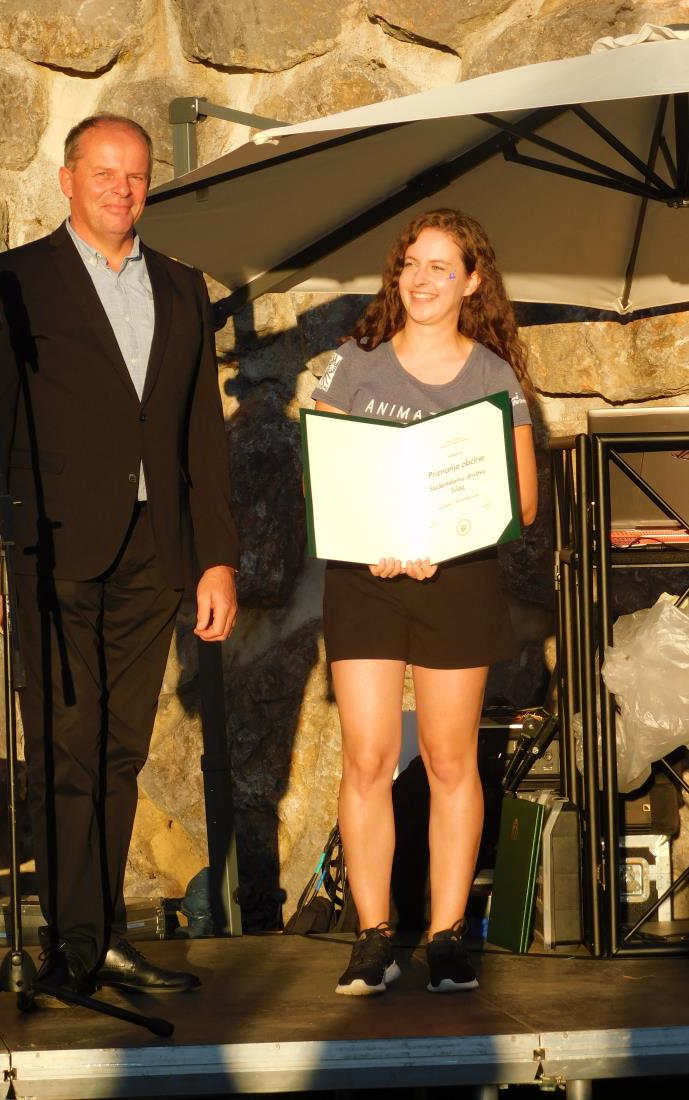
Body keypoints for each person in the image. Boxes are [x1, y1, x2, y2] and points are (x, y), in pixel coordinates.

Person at [0, 114, 239, 998]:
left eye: (137, 176)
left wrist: (216, 559)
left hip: (156, 553)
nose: (123, 189)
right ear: (68, 180)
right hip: (51, 551)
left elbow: (200, 434)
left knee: (119, 752)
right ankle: (73, 944)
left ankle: (102, 936)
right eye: (106, 173)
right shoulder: (12, 283)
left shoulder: (184, 288)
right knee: (65, 750)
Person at [311, 209, 537, 996]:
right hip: (364, 579)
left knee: (448, 760)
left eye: (441, 267)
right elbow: (324, 470)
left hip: (456, 580)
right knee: (367, 757)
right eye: (411, 263)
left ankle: (445, 937)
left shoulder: (492, 377)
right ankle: (372, 935)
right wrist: (371, 532)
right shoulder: (355, 361)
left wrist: (442, 535)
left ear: (472, 282)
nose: (422, 279)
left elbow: (522, 500)